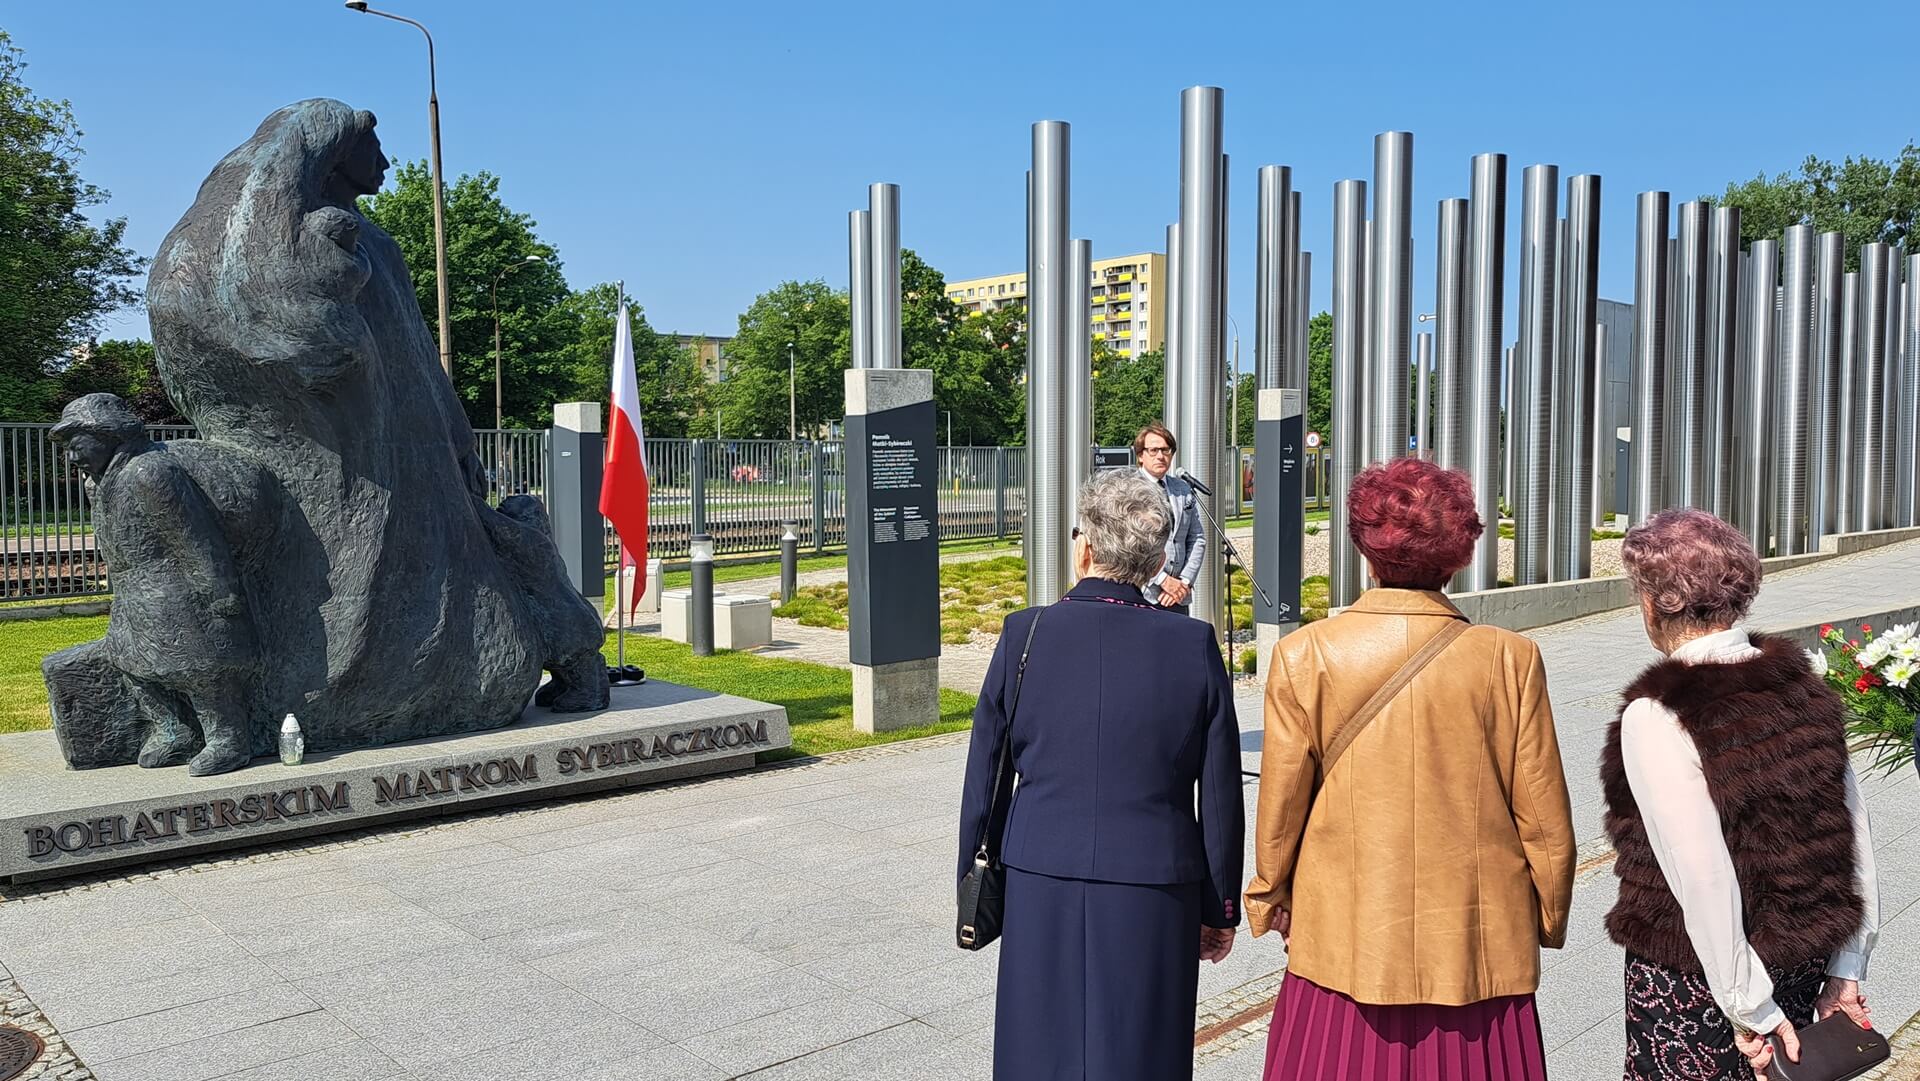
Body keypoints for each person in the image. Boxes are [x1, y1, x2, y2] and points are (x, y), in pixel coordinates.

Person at [1246, 457, 1576, 1081]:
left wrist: (1271, 897)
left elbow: (1281, 807)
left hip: (1346, 936)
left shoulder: (1306, 655)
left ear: (1365, 548)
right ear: (1458, 554)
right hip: (1474, 945)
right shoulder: (1509, 659)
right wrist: (1546, 914)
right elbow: (1543, 817)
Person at [957, 469, 1243, 1081]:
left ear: (1085, 548)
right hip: (1155, 880)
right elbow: (1218, 791)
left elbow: (986, 773)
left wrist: (974, 882)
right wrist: (1220, 906)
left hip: (1041, 871)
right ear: (1157, 558)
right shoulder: (1193, 645)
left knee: (1039, 1046)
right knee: (1144, 1046)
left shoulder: (1023, 633)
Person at [1603, 508, 1878, 1081]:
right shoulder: (1804, 687)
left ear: (1655, 603)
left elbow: (1700, 874)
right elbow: (1852, 839)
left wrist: (1750, 1007)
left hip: (1704, 981)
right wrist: (1847, 970)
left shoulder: (1659, 713)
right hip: (1804, 965)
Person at [1134, 421, 1205, 614]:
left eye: (1166, 450)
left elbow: (1197, 539)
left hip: (1178, 596)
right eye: (1154, 450)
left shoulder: (1182, 489)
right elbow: (1128, 545)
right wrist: (1162, 580)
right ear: (1141, 455)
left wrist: (1183, 583)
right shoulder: (1128, 490)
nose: (1160, 456)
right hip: (1142, 593)